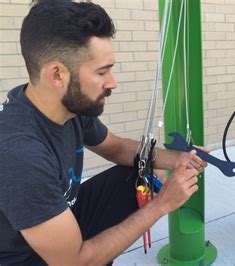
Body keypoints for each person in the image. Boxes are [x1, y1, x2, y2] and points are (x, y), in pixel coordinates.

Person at [0, 0, 207, 264]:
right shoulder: (19, 154)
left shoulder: (62, 105)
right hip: (26, 255)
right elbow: (73, 262)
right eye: (102, 72)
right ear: (56, 74)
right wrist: (162, 203)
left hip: (61, 218)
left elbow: (116, 148)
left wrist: (177, 159)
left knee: (134, 173)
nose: (113, 82)